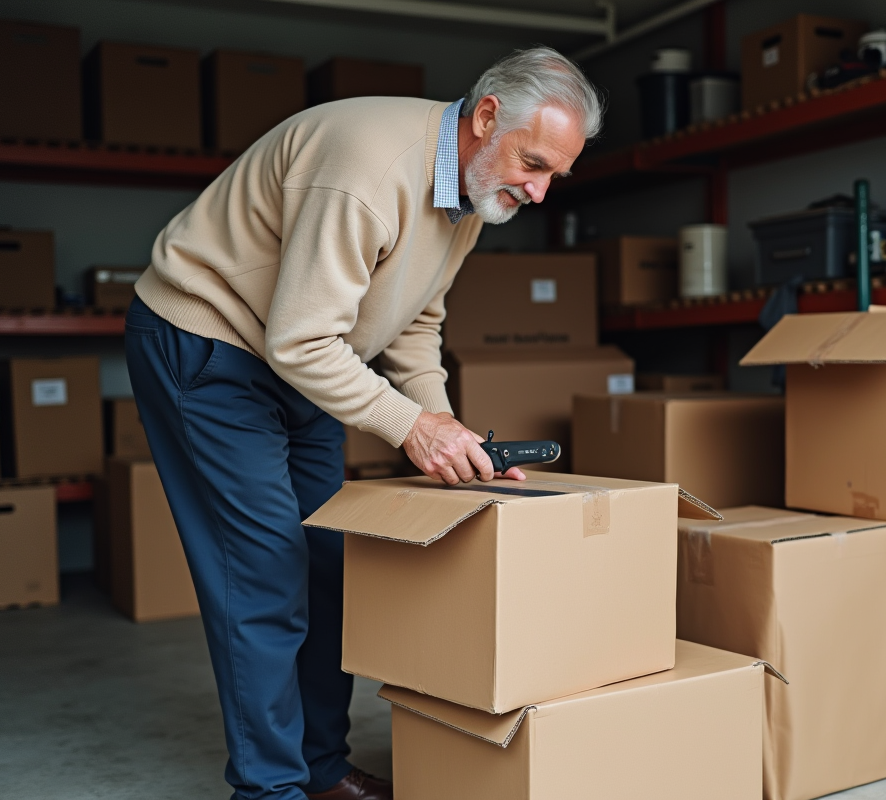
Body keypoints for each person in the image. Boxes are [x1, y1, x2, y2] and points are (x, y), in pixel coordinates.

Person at [124, 47, 603, 800]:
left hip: (305, 358)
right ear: (486, 117)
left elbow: (415, 321)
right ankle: (270, 789)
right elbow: (299, 338)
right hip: (211, 344)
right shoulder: (369, 172)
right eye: (534, 162)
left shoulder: (473, 193)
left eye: (555, 176)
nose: (540, 192)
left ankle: (319, 770)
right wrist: (411, 429)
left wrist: (446, 426)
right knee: (264, 577)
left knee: (325, 566)